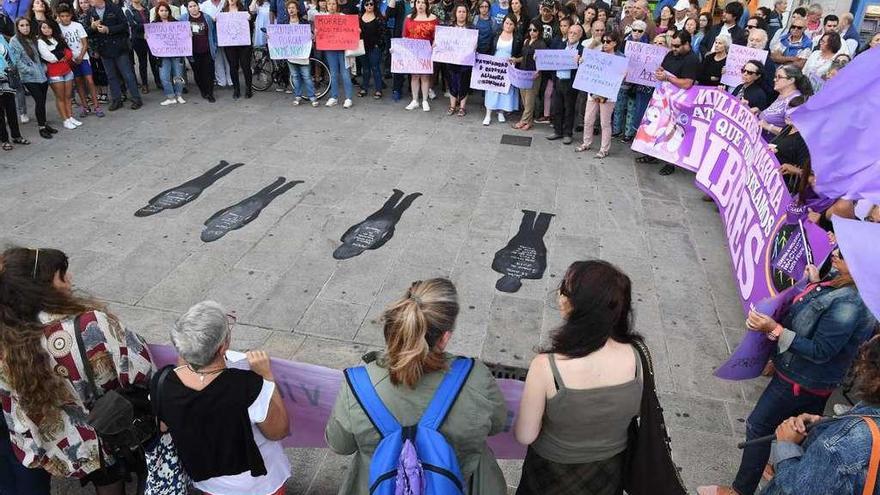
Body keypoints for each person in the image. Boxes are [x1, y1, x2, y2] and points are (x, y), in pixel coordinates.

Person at [699, 248, 877, 495]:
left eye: (845, 254)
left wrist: (774, 329)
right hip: (805, 376)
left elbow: (821, 350)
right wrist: (815, 283)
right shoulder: (846, 284)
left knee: (759, 426)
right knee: (800, 430)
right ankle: (780, 465)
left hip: (801, 379)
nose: (835, 253)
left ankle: (740, 490)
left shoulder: (849, 304)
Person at [325, 278, 508, 495]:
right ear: (445, 337)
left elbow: (339, 444)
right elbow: (497, 424)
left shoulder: (358, 386)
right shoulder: (476, 377)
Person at [0, 247, 154, 495]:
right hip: (113, 424)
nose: (69, 280)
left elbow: (15, 414)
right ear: (42, 287)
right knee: (115, 471)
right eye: (62, 275)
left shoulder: (8, 344)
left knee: (104, 480)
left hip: (70, 444)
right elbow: (140, 368)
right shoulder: (90, 323)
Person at [514, 260, 644, 494]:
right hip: (610, 471)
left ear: (573, 306)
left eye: (565, 288)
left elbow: (525, 435)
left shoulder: (546, 366)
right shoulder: (638, 356)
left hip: (550, 473)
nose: (560, 295)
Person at [158, 301, 290, 495]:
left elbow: (164, 425)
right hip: (257, 485)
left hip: (208, 482)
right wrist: (267, 376)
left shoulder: (162, 383)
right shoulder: (248, 386)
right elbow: (279, 431)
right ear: (222, 348)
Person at [761, 336, 880, 494]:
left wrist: (786, 447)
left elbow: (798, 489)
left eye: (865, 361)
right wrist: (827, 425)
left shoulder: (840, 445)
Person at [653, 29, 698, 175]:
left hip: (680, 100)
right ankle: (653, 154)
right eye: (672, 45)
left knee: (674, 131)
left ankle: (669, 163)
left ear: (687, 44)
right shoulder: (671, 53)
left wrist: (667, 78)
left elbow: (687, 83)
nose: (674, 49)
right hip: (665, 96)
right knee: (659, 125)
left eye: (677, 46)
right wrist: (660, 71)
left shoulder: (692, 59)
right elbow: (664, 67)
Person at [85, 0, 144, 110]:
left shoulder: (114, 8)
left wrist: (108, 29)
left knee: (127, 74)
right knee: (111, 76)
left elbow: (124, 26)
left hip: (119, 47)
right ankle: (117, 100)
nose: (89, 1)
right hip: (103, 49)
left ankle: (136, 99)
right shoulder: (90, 12)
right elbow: (86, 32)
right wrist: (92, 27)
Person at [9, 16, 57, 140]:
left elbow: (41, 55)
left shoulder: (33, 38)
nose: (25, 28)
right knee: (39, 100)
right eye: (22, 26)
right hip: (29, 77)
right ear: (17, 27)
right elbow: (16, 61)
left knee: (42, 101)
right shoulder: (15, 41)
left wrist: (44, 67)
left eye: (27, 25)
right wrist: (29, 70)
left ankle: (44, 124)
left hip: (42, 74)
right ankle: (41, 127)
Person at [574, 30, 620, 157]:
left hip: (607, 95)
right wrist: (581, 60)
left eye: (608, 41)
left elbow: (622, 75)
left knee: (604, 123)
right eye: (604, 41)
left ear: (615, 43)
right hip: (593, 91)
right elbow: (585, 62)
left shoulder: (619, 58)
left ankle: (604, 149)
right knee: (588, 119)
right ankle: (586, 142)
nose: (605, 44)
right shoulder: (597, 54)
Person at [57, 4, 104, 118]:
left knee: (90, 81)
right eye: (62, 16)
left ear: (71, 15)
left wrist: (81, 56)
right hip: (70, 60)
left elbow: (85, 43)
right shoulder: (58, 28)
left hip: (83, 57)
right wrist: (70, 58)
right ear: (59, 16)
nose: (65, 18)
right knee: (78, 83)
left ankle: (97, 106)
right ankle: (85, 106)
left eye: (67, 16)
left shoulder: (77, 25)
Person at [37, 20, 81, 131]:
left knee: (68, 96)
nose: (46, 30)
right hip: (55, 74)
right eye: (44, 27)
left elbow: (69, 53)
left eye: (49, 27)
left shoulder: (58, 38)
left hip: (67, 70)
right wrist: (61, 54)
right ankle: (65, 119)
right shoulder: (41, 42)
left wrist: (60, 55)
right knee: (60, 97)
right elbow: (50, 58)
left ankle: (70, 116)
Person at [612, 18, 648, 140]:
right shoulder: (624, 42)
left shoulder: (648, 46)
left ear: (644, 32)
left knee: (632, 108)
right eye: (635, 30)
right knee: (619, 106)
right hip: (623, 79)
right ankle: (616, 130)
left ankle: (628, 134)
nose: (637, 32)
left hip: (637, 82)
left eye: (640, 30)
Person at [545, 20, 580, 142]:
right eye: (570, 32)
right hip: (558, 80)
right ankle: (557, 131)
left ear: (580, 35)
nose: (571, 35)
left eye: (575, 33)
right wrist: (539, 58)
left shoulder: (582, 49)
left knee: (569, 109)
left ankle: (567, 134)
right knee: (557, 108)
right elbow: (549, 58)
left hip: (570, 83)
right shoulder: (561, 45)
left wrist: (581, 61)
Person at [482, 13, 519, 124]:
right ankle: (488, 114)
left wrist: (515, 59)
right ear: (503, 23)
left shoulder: (517, 38)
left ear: (514, 26)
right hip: (495, 66)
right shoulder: (497, 34)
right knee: (491, 89)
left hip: (508, 67)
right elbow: (489, 48)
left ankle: (501, 112)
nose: (508, 25)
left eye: (511, 24)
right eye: (506, 23)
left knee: (504, 90)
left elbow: (518, 53)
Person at [401, 0, 437, 111]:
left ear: (427, 5)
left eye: (423, 2)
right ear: (415, 4)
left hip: (427, 52)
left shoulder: (433, 18)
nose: (420, 5)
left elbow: (437, 36)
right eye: (418, 2)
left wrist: (434, 45)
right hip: (413, 52)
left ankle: (425, 100)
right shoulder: (408, 18)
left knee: (425, 77)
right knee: (415, 76)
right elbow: (404, 35)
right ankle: (415, 100)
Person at [758, 64, 810, 140]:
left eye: (779, 77)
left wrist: (768, 127)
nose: (775, 80)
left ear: (791, 80)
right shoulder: (782, 94)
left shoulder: (795, 100)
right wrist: (759, 112)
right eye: (775, 77)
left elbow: (794, 133)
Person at [317, 0, 354, 107]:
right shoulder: (322, 18)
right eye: (329, 4)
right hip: (330, 49)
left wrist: (356, 30)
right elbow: (319, 33)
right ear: (326, 6)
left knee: (345, 73)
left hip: (343, 49)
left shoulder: (343, 16)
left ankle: (348, 98)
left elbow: (351, 29)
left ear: (337, 6)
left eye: (333, 4)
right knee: (333, 74)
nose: (331, 6)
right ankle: (334, 97)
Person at [180, 0, 218, 102]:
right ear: (187, 8)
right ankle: (203, 90)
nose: (193, 8)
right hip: (194, 52)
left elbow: (213, 32)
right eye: (190, 6)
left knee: (209, 73)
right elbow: (177, 32)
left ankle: (210, 93)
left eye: (195, 5)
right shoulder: (183, 19)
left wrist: (214, 45)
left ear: (198, 6)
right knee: (198, 73)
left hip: (207, 50)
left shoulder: (207, 17)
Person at [151, 1, 187, 105]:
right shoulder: (153, 25)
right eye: (161, 10)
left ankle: (179, 95)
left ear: (169, 12)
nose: (164, 13)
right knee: (164, 77)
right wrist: (147, 36)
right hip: (162, 56)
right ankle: (171, 97)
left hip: (176, 54)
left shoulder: (176, 23)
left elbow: (182, 36)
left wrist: (187, 34)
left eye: (166, 10)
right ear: (157, 12)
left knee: (178, 76)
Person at [282, 0, 317, 105]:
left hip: (303, 55)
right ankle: (298, 96)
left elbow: (310, 35)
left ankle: (312, 96)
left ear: (297, 10)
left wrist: (312, 36)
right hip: (291, 55)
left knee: (306, 76)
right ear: (287, 10)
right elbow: (279, 37)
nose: (291, 10)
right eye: (289, 8)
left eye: (293, 8)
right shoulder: (284, 23)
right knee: (295, 76)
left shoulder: (304, 22)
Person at [124, 0, 161, 95]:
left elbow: (152, 21)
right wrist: (149, 26)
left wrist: (149, 26)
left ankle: (158, 82)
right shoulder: (129, 11)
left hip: (150, 38)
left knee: (154, 61)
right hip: (138, 39)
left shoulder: (146, 9)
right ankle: (145, 84)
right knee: (143, 62)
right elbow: (133, 26)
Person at [512, 18, 544, 128]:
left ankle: (523, 120)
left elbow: (543, 61)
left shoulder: (541, 44)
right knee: (525, 99)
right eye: (530, 29)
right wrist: (515, 60)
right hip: (523, 73)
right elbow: (523, 57)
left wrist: (538, 71)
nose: (532, 32)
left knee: (530, 99)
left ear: (539, 31)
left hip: (533, 74)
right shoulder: (526, 41)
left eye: (534, 30)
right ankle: (529, 122)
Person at [0, 35, 29, 151]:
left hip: (7, 77)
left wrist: (12, 66)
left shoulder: (1, 37)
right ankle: (4, 140)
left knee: (11, 108)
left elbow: (9, 53)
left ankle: (16, 136)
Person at [443, 3, 472, 116]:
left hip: (465, 61)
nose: (461, 14)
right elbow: (443, 42)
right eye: (459, 11)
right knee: (452, 82)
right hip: (451, 60)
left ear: (467, 14)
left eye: (464, 12)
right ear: (455, 13)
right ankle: (452, 106)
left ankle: (462, 107)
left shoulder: (471, 28)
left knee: (464, 82)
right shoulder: (449, 27)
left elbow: (474, 43)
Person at [222, 0, 255, 99]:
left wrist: (250, 19)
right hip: (229, 44)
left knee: (246, 66)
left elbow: (250, 27)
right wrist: (216, 21)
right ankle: (236, 89)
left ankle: (248, 89)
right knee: (233, 66)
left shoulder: (244, 10)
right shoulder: (223, 12)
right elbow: (221, 28)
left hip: (244, 44)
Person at [200, 0, 232, 87]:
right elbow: (201, 19)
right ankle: (221, 81)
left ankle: (231, 79)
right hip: (212, 36)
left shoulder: (226, 2)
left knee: (228, 58)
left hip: (227, 36)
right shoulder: (204, 5)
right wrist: (211, 20)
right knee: (217, 59)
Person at [358, 0, 384, 98]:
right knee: (365, 69)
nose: (369, 6)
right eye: (367, 4)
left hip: (374, 47)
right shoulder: (359, 17)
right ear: (363, 6)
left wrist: (378, 45)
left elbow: (383, 33)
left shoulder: (378, 18)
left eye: (371, 4)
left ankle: (378, 90)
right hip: (362, 47)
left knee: (375, 68)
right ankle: (364, 88)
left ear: (374, 5)